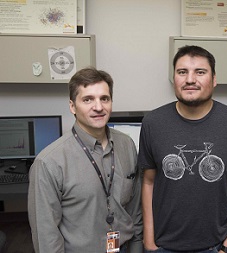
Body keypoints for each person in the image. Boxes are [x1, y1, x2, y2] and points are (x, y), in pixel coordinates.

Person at [138, 45, 227, 253]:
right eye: (182, 72)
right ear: (174, 78)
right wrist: (149, 244)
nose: (190, 79)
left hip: (215, 246)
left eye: (200, 72)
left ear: (214, 79)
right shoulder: (152, 123)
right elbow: (148, 182)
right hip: (163, 246)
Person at [28, 67, 143, 253]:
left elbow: (135, 210)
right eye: (88, 99)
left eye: (104, 99)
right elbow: (46, 235)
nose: (98, 107)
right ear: (72, 106)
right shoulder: (49, 162)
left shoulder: (127, 145)